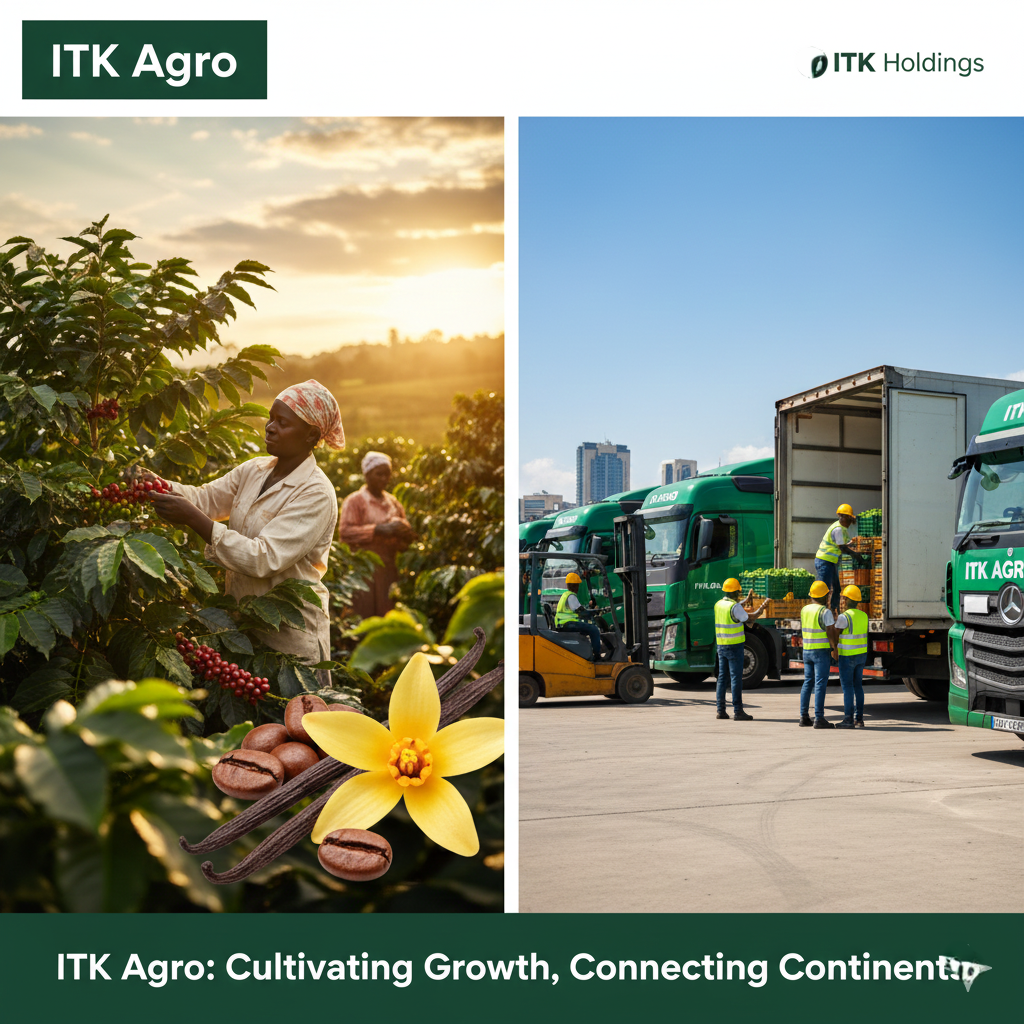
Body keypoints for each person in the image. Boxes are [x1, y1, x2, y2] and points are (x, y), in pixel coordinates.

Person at [150, 379, 344, 680]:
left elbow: (262, 558)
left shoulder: (316, 493)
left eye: (283, 422)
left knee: (289, 720)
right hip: (242, 625)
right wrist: (153, 483)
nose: (270, 427)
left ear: (311, 435)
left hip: (288, 637)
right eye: (271, 418)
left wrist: (195, 520)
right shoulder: (254, 470)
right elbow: (205, 498)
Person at [338, 451, 415, 620]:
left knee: (386, 615)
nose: (384, 479)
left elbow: (405, 535)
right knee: (362, 614)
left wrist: (404, 533)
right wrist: (379, 530)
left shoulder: (393, 502)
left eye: (387, 474)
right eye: (379, 474)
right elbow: (346, 532)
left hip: (388, 569)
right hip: (363, 570)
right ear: (367, 475)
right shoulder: (355, 501)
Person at [714, 578, 769, 721]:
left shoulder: (719, 604)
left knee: (722, 678)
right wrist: (762, 608)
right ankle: (738, 711)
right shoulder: (734, 607)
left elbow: (736, 607)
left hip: (721, 645)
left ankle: (721, 711)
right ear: (734, 592)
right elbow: (750, 617)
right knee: (735, 679)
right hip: (734, 647)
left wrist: (747, 599)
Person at [799, 580, 839, 729]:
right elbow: (830, 631)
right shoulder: (825, 612)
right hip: (821, 651)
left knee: (808, 682)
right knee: (820, 683)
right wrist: (834, 647)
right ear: (824, 596)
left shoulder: (805, 609)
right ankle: (819, 718)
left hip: (807, 650)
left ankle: (804, 717)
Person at [815, 503, 862, 613]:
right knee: (824, 589)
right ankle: (822, 611)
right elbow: (842, 548)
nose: (851, 522)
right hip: (825, 561)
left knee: (837, 588)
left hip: (831, 562)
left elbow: (843, 545)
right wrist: (856, 555)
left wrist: (852, 544)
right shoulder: (838, 530)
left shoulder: (842, 529)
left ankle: (834, 610)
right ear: (844, 517)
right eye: (850, 519)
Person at [833, 584, 868, 729]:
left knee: (847, 687)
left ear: (847, 600)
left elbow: (836, 634)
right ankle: (859, 719)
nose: (843, 601)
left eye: (844, 598)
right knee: (858, 686)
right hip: (861, 655)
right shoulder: (864, 615)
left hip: (847, 656)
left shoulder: (844, 616)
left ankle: (848, 719)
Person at [554, 571, 605, 661]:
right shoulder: (571, 596)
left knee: (587, 630)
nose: (578, 587)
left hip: (563, 623)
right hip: (568, 624)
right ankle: (597, 656)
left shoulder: (565, 595)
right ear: (575, 586)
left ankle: (586, 652)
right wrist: (594, 612)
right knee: (594, 630)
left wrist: (590, 610)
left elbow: (579, 610)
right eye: (577, 585)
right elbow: (581, 613)